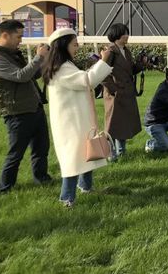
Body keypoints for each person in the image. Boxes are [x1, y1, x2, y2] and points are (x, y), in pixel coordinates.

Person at [43, 28, 113, 207]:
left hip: (76, 120)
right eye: (74, 44)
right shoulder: (61, 69)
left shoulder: (64, 66)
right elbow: (88, 80)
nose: (77, 48)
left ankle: (86, 187)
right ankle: (66, 198)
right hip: (70, 123)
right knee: (73, 160)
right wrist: (104, 61)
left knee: (86, 153)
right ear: (63, 45)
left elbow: (84, 79)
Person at [0, 20, 52, 194]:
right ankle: (5, 188)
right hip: (17, 114)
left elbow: (32, 75)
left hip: (34, 109)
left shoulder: (14, 54)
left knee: (41, 148)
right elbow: (21, 76)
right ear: (5, 35)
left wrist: (44, 60)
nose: (21, 40)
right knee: (15, 154)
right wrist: (38, 57)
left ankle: (42, 178)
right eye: (19, 36)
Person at [101, 23, 144, 160]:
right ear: (116, 35)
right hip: (115, 94)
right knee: (112, 125)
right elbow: (101, 74)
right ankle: (110, 153)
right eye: (124, 33)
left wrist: (142, 63)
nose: (127, 35)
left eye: (127, 32)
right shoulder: (110, 52)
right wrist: (114, 90)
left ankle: (121, 151)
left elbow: (130, 70)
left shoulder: (126, 50)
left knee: (123, 124)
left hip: (126, 92)